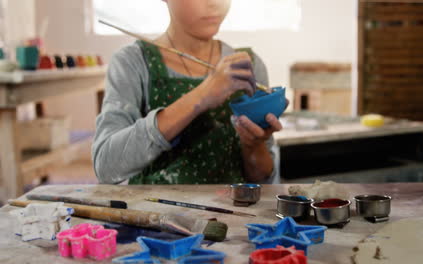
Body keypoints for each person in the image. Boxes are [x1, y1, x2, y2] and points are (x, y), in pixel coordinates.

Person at [92, 0, 284, 185]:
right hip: (154, 213)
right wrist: (201, 96)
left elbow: (263, 179)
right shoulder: (133, 63)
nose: (215, 2)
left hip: (231, 214)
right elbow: (106, 167)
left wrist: (254, 146)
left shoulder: (246, 66)